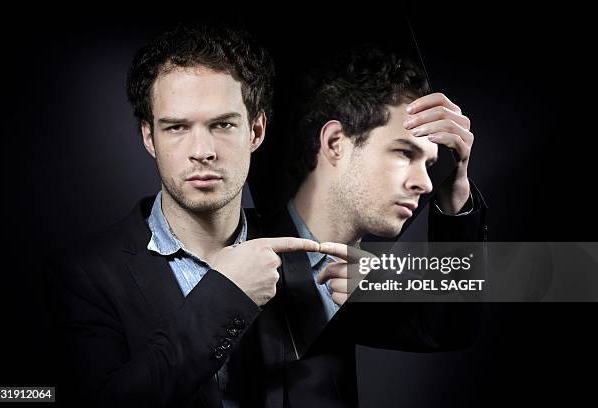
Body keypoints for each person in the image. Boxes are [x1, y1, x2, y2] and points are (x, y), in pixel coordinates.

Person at [43, 24, 323, 407]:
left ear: (256, 130)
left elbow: (429, 329)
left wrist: (439, 183)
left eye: (223, 124)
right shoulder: (83, 275)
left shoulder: (304, 243)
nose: (202, 150)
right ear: (148, 137)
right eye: (177, 127)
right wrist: (226, 295)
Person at [259, 46, 488, 406]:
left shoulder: (362, 277)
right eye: (404, 153)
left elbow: (448, 329)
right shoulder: (240, 244)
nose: (425, 184)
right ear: (335, 143)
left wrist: (456, 183)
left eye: (430, 165)